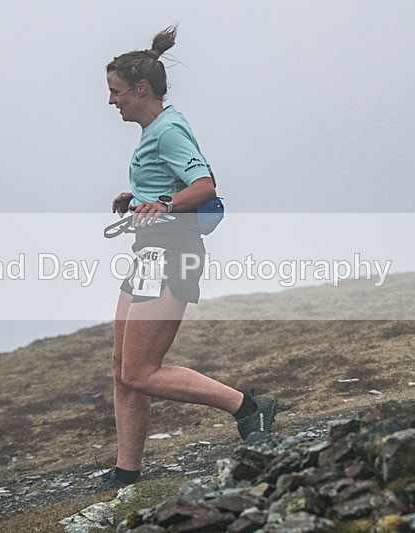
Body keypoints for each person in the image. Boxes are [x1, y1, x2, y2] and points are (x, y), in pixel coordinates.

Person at [99, 25, 277, 491]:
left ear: (141, 88)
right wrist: (140, 197)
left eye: (115, 92)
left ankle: (247, 407)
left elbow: (206, 186)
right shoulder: (155, 130)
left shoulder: (169, 129)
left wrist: (165, 204)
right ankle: (126, 472)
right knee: (122, 368)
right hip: (150, 251)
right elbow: (174, 185)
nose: (111, 101)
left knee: (140, 370)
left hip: (173, 252)